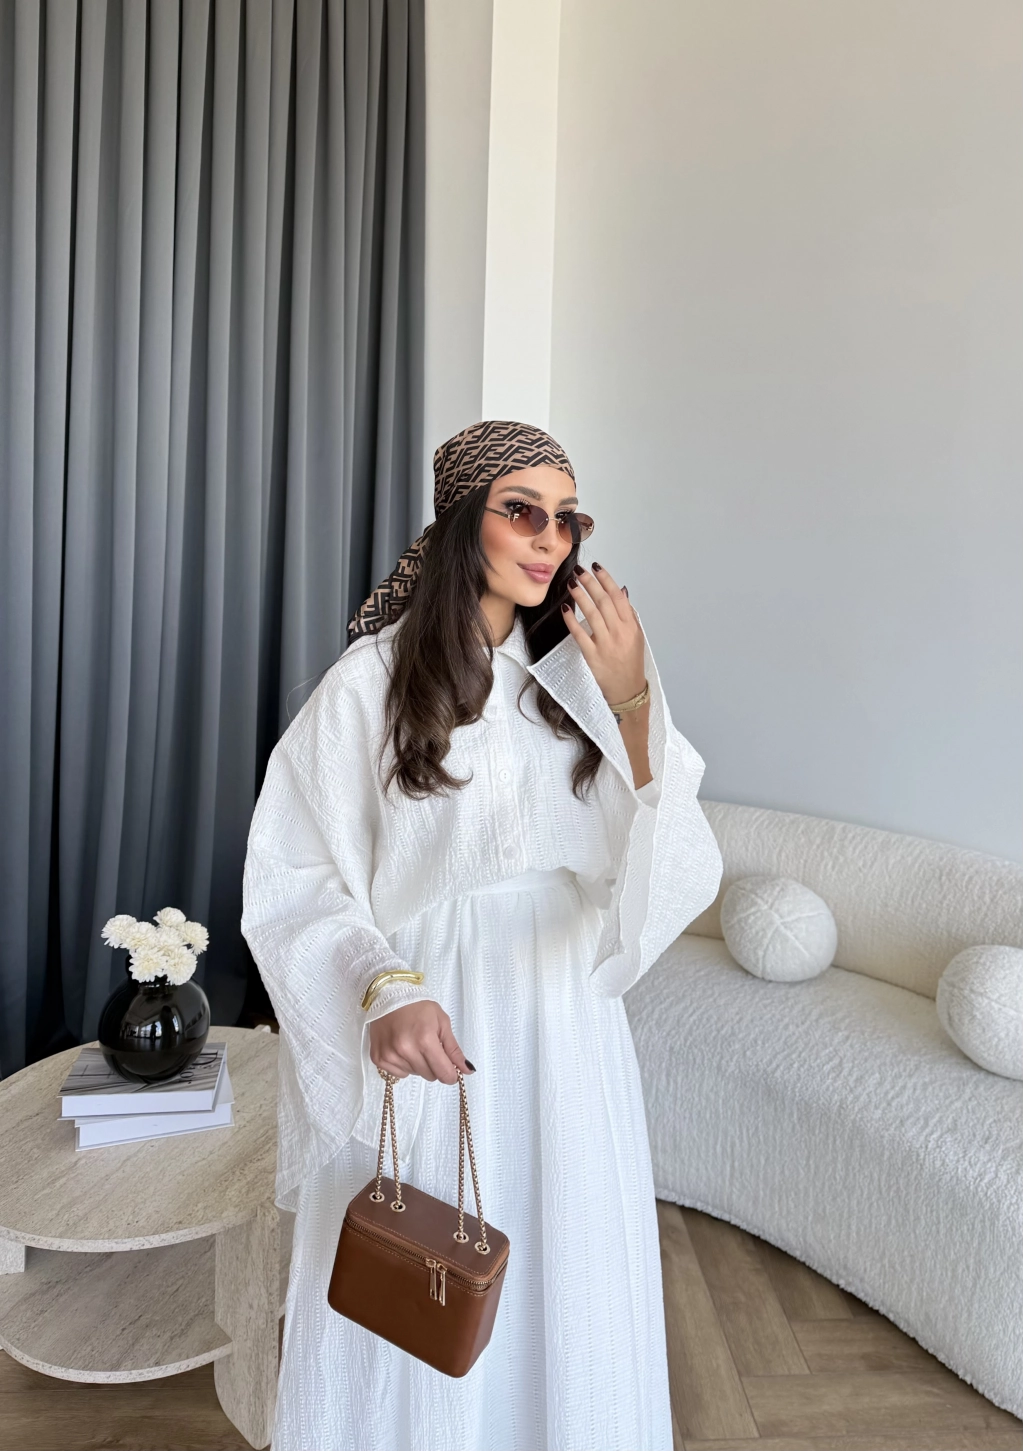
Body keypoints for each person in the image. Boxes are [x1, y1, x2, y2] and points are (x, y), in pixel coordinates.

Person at [241, 419, 723, 1451]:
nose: (550, 538)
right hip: (432, 1001)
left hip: (563, 1017)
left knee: (564, 1260)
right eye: (522, 510)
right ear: (464, 521)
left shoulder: (587, 681)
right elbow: (295, 872)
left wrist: (634, 698)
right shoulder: (370, 683)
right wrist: (380, 983)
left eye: (568, 517)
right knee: (415, 1262)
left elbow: (667, 846)